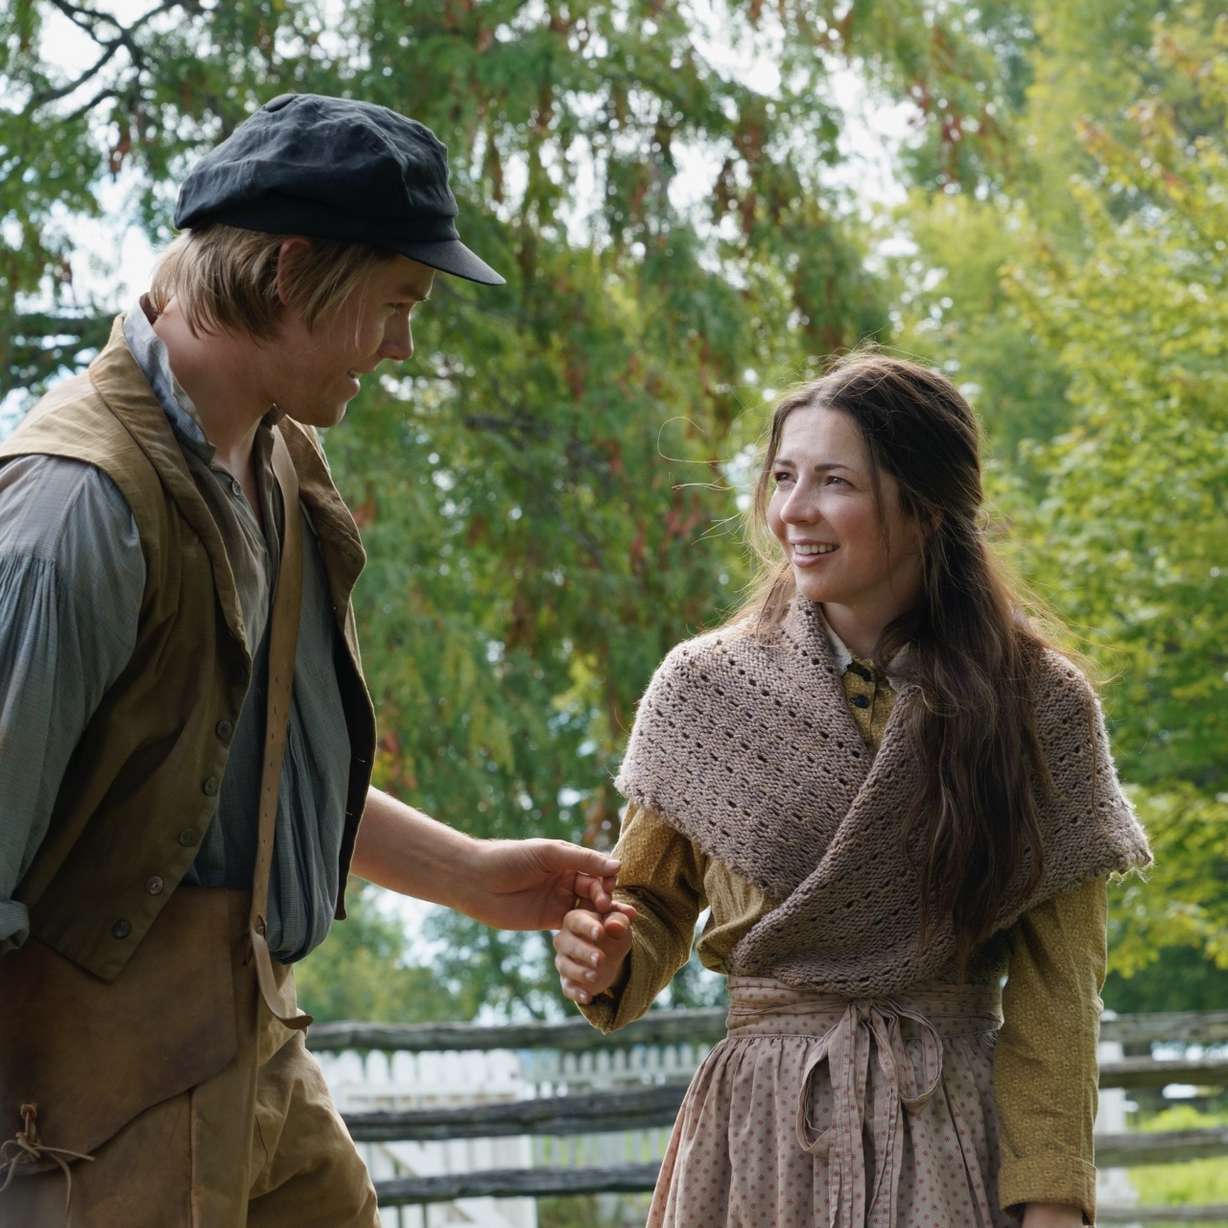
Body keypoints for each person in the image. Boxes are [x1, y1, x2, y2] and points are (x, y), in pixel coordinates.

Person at [0, 93, 624, 1226]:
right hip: (93, 1116)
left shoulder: (276, 462)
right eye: (394, 305)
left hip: (253, 1058)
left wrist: (471, 875)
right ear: (290, 272)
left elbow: (222, 781)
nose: (402, 345)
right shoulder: (77, 511)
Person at [554, 353, 1152, 1228]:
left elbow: (1059, 994)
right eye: (784, 477)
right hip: (759, 1131)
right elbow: (646, 902)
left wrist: (1054, 1201)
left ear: (926, 505)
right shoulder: (704, 689)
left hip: (946, 1125)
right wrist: (608, 954)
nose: (793, 510)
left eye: (835, 481)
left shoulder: (1038, 706)